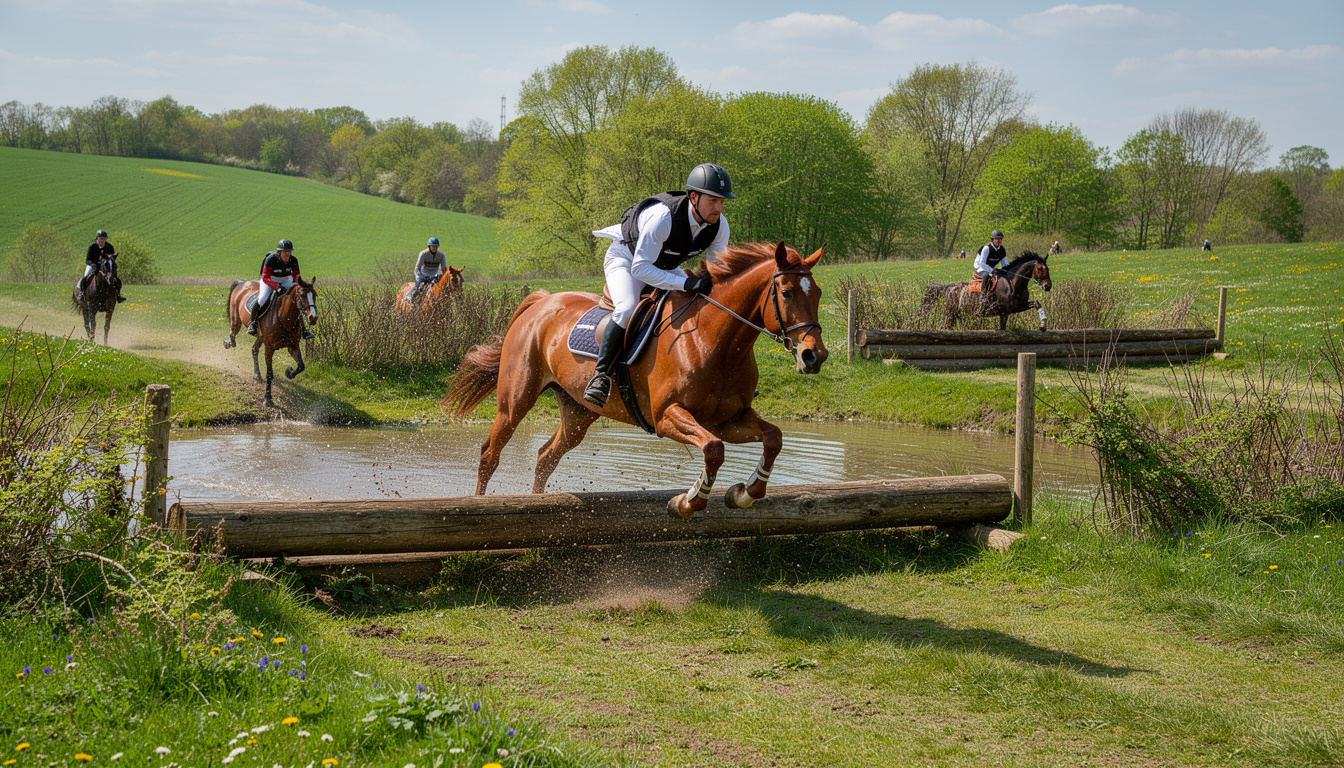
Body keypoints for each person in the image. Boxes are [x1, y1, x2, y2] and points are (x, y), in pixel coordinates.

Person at [582, 162, 734, 407]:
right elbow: (640, 269)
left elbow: (718, 271)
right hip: (627, 258)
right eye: (713, 201)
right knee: (627, 307)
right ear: (693, 197)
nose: (718, 208)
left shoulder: (719, 225)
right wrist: (685, 283)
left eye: (722, 201)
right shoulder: (663, 217)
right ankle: (600, 376)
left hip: (661, 263)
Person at [247, 238, 313, 339]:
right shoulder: (271, 259)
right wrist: (276, 287)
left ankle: (304, 330)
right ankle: (253, 324)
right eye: (285, 252)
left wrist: (304, 285)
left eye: (289, 251)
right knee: (261, 299)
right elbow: (265, 277)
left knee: (295, 302)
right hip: (269, 280)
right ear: (279, 252)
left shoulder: (293, 260)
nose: (287, 254)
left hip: (285, 280)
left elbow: (296, 277)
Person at [77, 229, 125, 303]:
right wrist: (92, 264)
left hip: (106, 266)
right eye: (101, 238)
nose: (103, 240)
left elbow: (112, 258)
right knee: (85, 276)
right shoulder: (92, 247)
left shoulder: (109, 247)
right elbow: (87, 260)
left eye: (104, 239)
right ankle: (81, 293)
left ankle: (118, 295)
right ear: (97, 238)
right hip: (93, 265)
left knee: (115, 279)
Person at [408, 237, 447, 303]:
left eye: (436, 247)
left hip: (435, 275)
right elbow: (417, 268)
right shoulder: (423, 254)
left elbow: (444, 269)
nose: (435, 248)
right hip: (423, 275)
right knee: (417, 286)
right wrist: (421, 276)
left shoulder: (441, 255)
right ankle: (410, 298)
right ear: (429, 247)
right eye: (433, 247)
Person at [973, 229, 1009, 296]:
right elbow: (982, 263)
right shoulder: (987, 248)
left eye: (1000, 239)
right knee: (986, 275)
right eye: (996, 239)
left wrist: (1008, 271)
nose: (998, 241)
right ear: (993, 239)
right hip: (980, 267)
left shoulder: (1002, 250)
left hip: (990, 268)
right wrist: (992, 270)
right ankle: (982, 295)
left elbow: (1005, 265)